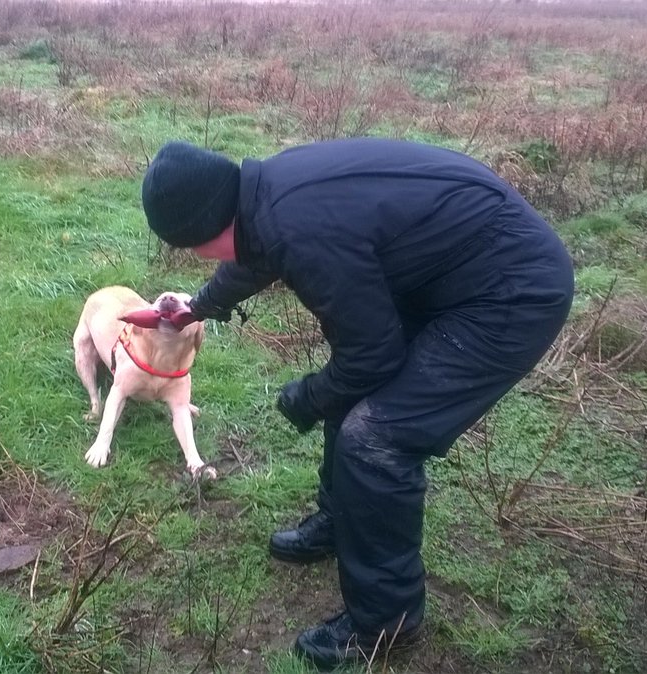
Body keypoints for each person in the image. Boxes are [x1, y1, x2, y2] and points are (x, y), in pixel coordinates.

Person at [140, 137, 574, 669]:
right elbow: (259, 254)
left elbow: (372, 357)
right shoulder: (265, 193)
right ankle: (342, 524)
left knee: (376, 437)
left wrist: (308, 398)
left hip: (512, 292)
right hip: (453, 272)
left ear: (210, 227)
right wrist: (196, 308)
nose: (196, 256)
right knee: (351, 397)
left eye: (192, 246)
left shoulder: (299, 228)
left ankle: (387, 623)